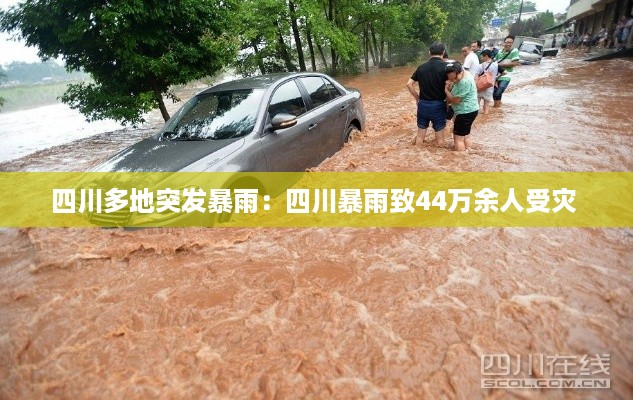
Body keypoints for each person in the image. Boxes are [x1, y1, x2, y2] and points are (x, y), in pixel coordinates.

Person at [406, 41, 449, 146]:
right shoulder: (446, 67)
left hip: (423, 104)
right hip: (439, 105)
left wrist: (417, 99)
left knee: (420, 137)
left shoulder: (421, 67)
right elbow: (451, 85)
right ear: (443, 52)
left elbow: (409, 84)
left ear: (429, 52)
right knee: (440, 140)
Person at [444, 62, 479, 152]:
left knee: (458, 139)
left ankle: (460, 158)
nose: (454, 81)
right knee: (465, 135)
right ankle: (468, 150)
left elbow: (455, 101)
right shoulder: (467, 74)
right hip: (472, 109)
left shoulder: (464, 82)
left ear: (460, 72)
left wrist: (446, 91)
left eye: (455, 78)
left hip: (464, 112)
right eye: (451, 79)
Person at [493, 35, 520, 108]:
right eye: (506, 42)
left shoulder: (514, 51)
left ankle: (495, 109)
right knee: (495, 92)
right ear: (503, 43)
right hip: (497, 75)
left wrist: (500, 65)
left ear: (512, 44)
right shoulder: (499, 52)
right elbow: (494, 63)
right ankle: (498, 107)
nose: (508, 44)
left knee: (499, 92)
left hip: (507, 75)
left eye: (510, 43)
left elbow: (514, 63)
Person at [473, 49, 498, 115]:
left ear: (486, 56)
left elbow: (476, 77)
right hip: (489, 88)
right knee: (486, 109)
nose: (481, 58)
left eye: (481, 56)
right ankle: (485, 118)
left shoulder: (481, 65)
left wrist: (475, 86)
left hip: (480, 88)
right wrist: (495, 79)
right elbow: (504, 72)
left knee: (476, 107)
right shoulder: (496, 65)